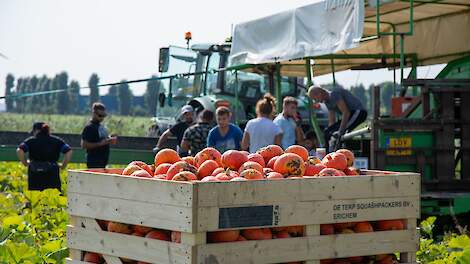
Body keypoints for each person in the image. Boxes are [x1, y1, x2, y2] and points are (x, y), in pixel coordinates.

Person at [308, 85, 367, 152]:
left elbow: (346, 112)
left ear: (319, 93)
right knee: (327, 132)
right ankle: (327, 154)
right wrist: (329, 133)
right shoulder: (327, 102)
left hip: (358, 112)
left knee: (339, 133)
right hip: (350, 115)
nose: (315, 101)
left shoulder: (334, 94)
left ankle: (337, 152)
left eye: (314, 99)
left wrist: (340, 130)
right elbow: (331, 121)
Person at [16, 122, 72, 191]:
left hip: (35, 172)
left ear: (37, 130)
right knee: (53, 197)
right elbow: (69, 151)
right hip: (52, 172)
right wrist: (63, 165)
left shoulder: (31, 141)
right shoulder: (56, 140)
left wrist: (25, 163)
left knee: (36, 198)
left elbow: (19, 150)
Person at [81, 103, 117, 168]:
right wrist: (101, 144)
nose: (102, 118)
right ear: (94, 113)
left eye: (104, 115)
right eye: (100, 115)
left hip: (103, 163)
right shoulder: (89, 128)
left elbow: (102, 139)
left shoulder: (101, 126)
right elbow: (84, 145)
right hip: (94, 163)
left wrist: (110, 138)